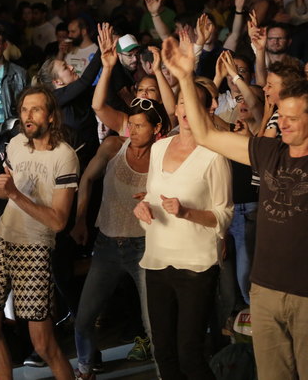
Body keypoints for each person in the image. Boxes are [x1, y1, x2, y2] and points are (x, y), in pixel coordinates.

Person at [161, 16, 308, 380]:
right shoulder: (268, 151)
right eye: (281, 115)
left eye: (293, 118)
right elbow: (204, 134)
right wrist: (185, 77)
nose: (283, 123)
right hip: (265, 291)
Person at [0, 86, 79, 380]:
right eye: (24, 109)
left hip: (35, 248)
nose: (28, 116)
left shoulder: (64, 156)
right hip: (2, 240)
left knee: (43, 344)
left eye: (35, 109)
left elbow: (58, 221)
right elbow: (6, 191)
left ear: (51, 116)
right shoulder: (15, 144)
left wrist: (15, 194)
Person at [132, 53, 233, 378]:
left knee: (189, 352)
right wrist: (143, 210)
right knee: (163, 351)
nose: (187, 110)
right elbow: (151, 197)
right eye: (182, 103)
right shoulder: (159, 147)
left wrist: (186, 211)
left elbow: (223, 215)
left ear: (207, 109)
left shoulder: (214, 155)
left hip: (196, 264)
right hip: (157, 259)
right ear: (175, 108)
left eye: (195, 104)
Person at [71, 97, 170, 379]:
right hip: (107, 244)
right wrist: (80, 219)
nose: (133, 131)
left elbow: (176, 194)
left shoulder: (163, 156)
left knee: (153, 323)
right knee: (84, 318)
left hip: (144, 247)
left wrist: (155, 197)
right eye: (131, 125)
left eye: (140, 126)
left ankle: (165, 373)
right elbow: (87, 178)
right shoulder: (114, 146)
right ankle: (85, 370)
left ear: (156, 128)